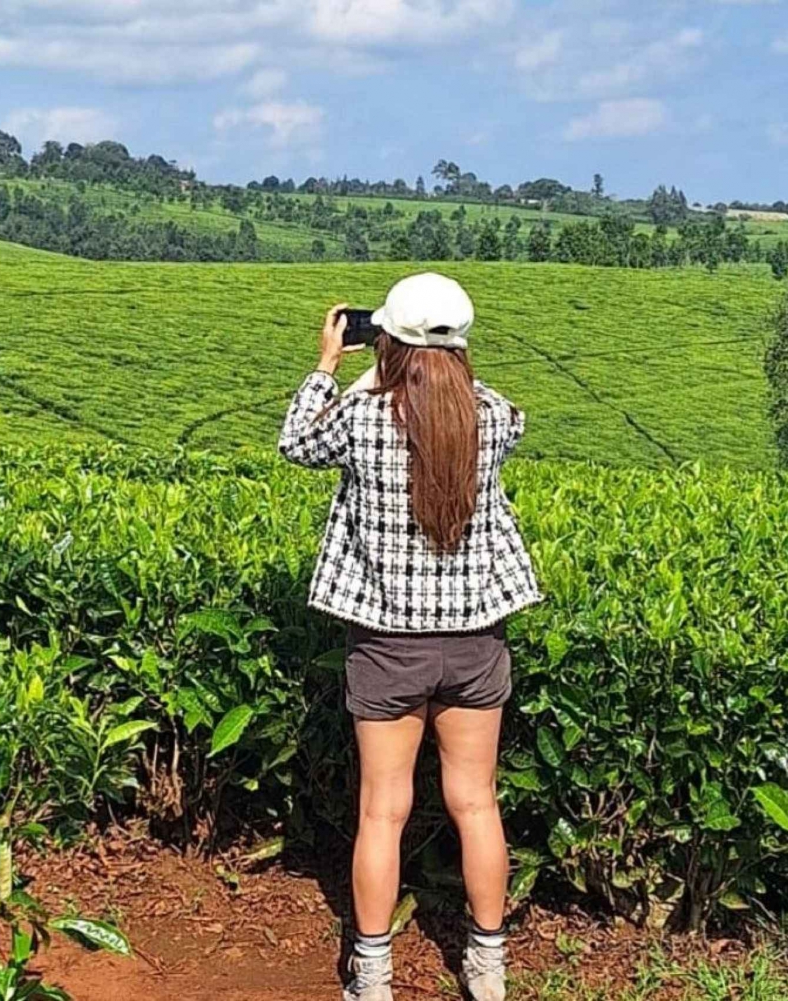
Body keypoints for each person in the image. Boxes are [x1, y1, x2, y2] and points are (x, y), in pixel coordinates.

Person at [279, 273, 541, 1001]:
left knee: (382, 810)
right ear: (461, 344)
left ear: (385, 338)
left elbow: (297, 442)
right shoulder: (495, 417)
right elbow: (476, 401)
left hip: (388, 643)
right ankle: (487, 966)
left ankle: (373, 973)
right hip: (475, 642)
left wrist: (334, 363)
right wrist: (426, 358)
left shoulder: (362, 417)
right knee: (476, 803)